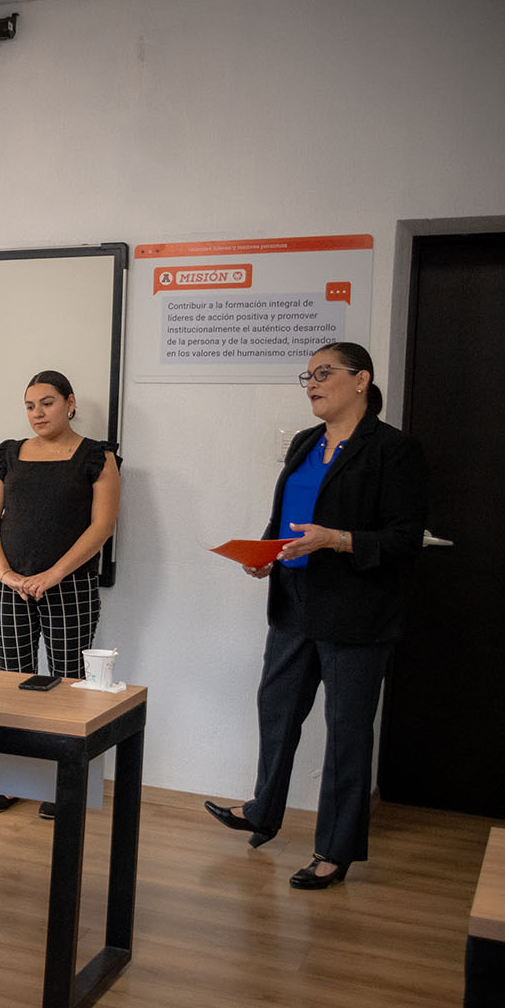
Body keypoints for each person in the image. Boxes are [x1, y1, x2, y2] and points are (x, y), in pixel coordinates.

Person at [205, 342, 427, 890]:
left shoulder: (393, 450)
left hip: (357, 613)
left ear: (361, 380)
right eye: (307, 375)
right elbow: (287, 516)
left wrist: (336, 540)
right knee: (276, 709)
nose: (312, 383)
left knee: (346, 731)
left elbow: (404, 539)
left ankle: (335, 849)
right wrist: (265, 552)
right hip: (294, 601)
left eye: (324, 373)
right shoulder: (306, 443)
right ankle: (264, 810)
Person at [0, 370, 121, 816]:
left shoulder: (97, 457)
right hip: (11, 585)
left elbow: (102, 527)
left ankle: (62, 783)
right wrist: (5, 572)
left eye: (47, 402)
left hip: (70, 584)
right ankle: (14, 778)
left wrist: (55, 573)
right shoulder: (9, 455)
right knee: (13, 680)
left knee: (68, 683)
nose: (37, 413)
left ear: (70, 403)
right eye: (30, 405)